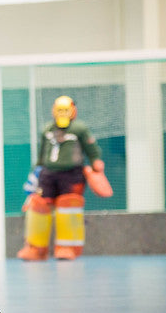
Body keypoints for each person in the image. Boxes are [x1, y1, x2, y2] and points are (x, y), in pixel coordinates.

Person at [17, 95, 104, 261]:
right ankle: (36, 248)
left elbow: (91, 149)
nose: (62, 113)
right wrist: (36, 173)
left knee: (68, 207)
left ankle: (67, 247)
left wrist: (96, 161)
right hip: (48, 174)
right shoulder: (47, 129)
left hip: (72, 174)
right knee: (39, 206)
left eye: (66, 110)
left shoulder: (79, 129)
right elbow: (42, 155)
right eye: (59, 110)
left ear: (73, 111)